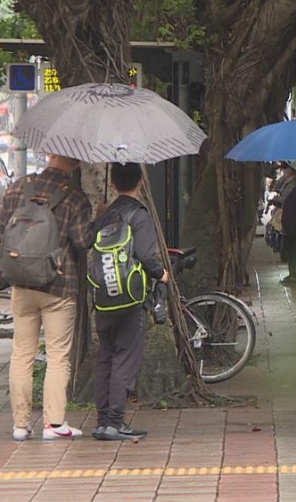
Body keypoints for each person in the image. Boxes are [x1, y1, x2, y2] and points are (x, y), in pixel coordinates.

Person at [0, 154, 93, 441]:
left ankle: (20, 425)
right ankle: (53, 424)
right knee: (57, 356)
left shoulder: (17, 188)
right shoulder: (76, 197)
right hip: (59, 286)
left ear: (50, 156)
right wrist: (98, 217)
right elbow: (82, 241)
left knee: (22, 353)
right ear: (77, 164)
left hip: (22, 284)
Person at [90, 163, 169, 441]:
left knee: (106, 357)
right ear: (140, 183)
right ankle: (115, 422)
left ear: (112, 184)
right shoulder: (139, 215)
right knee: (126, 357)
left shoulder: (106, 214)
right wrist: (162, 274)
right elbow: (147, 257)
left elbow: (87, 242)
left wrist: (99, 216)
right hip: (132, 298)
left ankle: (102, 421)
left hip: (103, 297)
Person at [272, 164, 296, 283]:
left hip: (292, 217)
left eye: (285, 169)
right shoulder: (288, 181)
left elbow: (287, 199)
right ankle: (293, 273)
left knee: (293, 247)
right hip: (288, 216)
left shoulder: (294, 183)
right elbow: (277, 186)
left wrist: (276, 200)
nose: (283, 172)